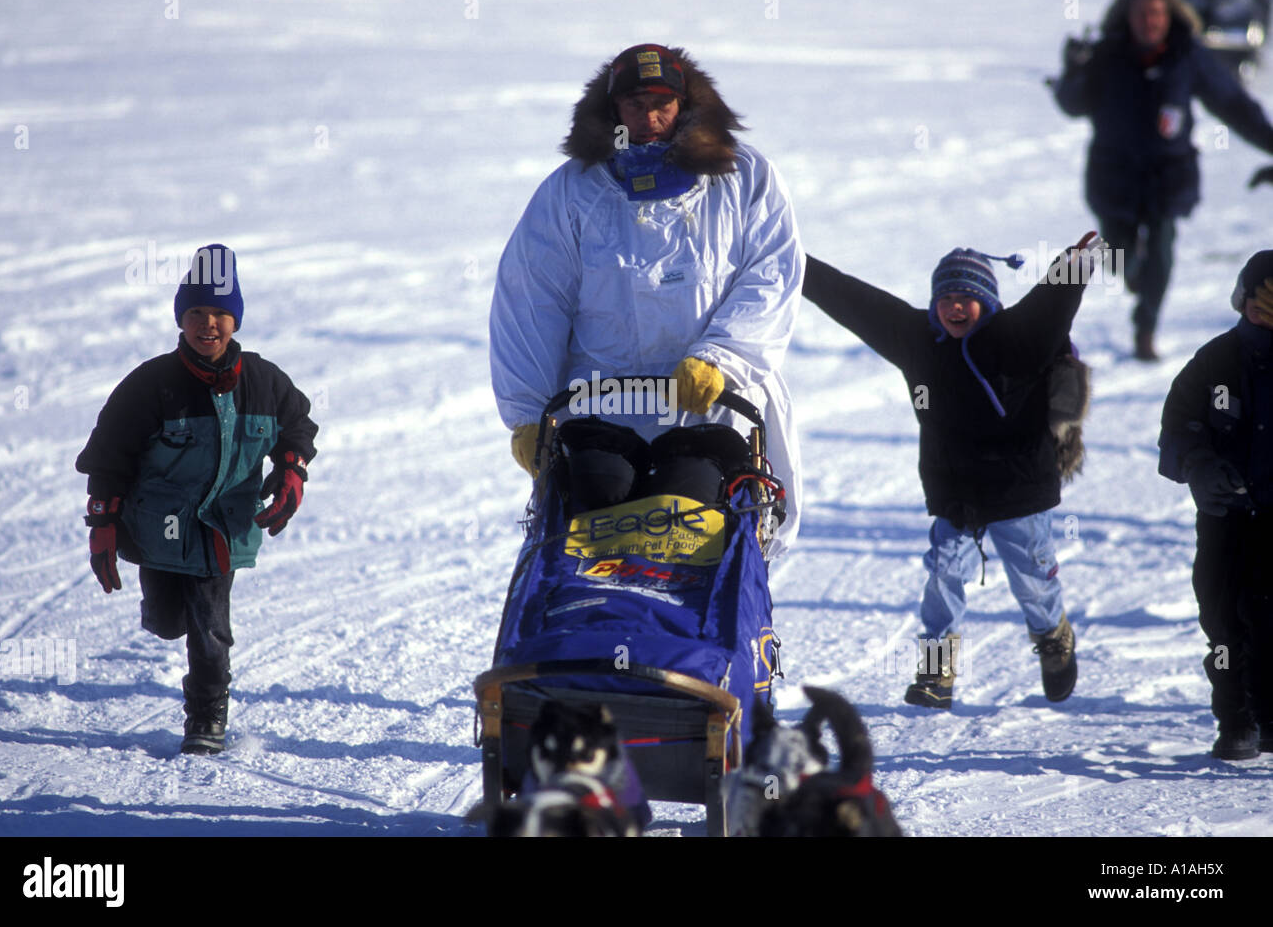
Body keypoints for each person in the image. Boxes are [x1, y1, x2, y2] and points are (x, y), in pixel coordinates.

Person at [489, 43, 804, 556]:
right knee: (594, 540)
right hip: (602, 413)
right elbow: (531, 302)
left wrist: (721, 359)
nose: (650, 118)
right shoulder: (572, 193)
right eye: (635, 104)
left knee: (696, 540)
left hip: (712, 407)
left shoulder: (743, 178)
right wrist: (528, 413)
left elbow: (771, 276)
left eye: (663, 103)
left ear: (685, 104)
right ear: (613, 110)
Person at [803, 235, 1102, 709]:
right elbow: (854, 299)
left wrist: (1076, 261)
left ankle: (1052, 635)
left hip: (1018, 486)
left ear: (986, 301)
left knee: (1032, 579)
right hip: (957, 488)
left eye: (966, 298)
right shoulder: (918, 342)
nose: (954, 308)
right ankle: (936, 669)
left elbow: (1053, 299)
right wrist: (795, 261)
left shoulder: (1018, 338)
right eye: (945, 298)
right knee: (943, 574)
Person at [76, 245, 317, 754]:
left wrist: (292, 470)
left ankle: (206, 720)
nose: (208, 325)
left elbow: (297, 426)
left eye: (219, 314)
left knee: (210, 631)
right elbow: (108, 455)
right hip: (160, 528)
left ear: (236, 319)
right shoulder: (152, 384)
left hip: (221, 528)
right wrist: (103, 523)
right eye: (196, 314)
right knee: (167, 622)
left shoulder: (264, 381)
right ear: (181, 319)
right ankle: (172, 615)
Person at [1053, 0, 1273, 361]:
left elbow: (1233, 104)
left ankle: (1146, 328)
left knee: (1161, 251)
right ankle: (1136, 280)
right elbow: (1074, 104)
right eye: (1141, 14)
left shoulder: (1188, 55)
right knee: (1121, 254)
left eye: (1156, 13)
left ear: (1169, 16)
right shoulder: (1107, 54)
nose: (1149, 22)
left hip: (1167, 176)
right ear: (1128, 16)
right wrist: (1072, 72)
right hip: (1113, 176)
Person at [1158, 249, 1273, 760]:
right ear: (1241, 298)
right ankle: (1236, 722)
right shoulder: (1215, 360)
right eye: (1255, 300)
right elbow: (1180, 424)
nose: (1261, 312)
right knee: (1223, 624)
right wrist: (1198, 465)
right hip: (1226, 519)